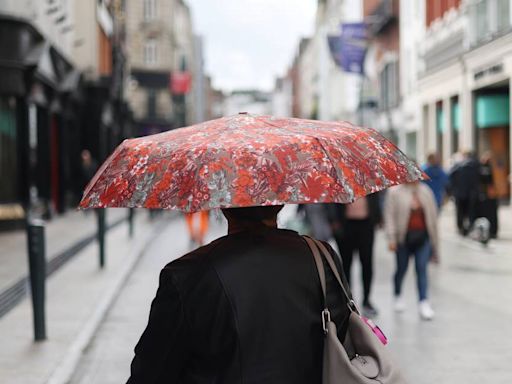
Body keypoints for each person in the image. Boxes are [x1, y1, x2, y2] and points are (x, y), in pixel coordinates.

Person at [127, 206, 351, 383]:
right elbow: (342, 338)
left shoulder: (186, 276)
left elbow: (151, 371)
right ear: (280, 202)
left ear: (223, 206)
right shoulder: (321, 257)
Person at [384, 181, 438, 321]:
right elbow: (389, 216)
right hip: (403, 239)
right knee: (401, 268)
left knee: (421, 268)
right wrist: (391, 238)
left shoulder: (426, 191)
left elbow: (433, 217)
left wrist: (435, 243)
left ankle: (423, 301)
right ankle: (397, 294)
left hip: (422, 238)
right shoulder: (395, 192)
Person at [325, 193, 382, 318]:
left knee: (367, 263)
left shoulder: (368, 181)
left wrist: (377, 218)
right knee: (346, 264)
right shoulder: (341, 181)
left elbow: (377, 199)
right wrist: (333, 221)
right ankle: (347, 299)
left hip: (366, 225)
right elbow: (330, 202)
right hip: (345, 225)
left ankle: (367, 300)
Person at [448, 150, 480, 235]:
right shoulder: (475, 166)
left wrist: (451, 191)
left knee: (460, 212)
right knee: (470, 211)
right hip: (470, 193)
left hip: (459, 193)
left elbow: (450, 179)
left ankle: (461, 227)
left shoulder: (457, 166)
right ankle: (470, 227)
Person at [478, 152, 499, 238]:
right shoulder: (482, 168)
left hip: (489, 195)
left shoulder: (489, 168)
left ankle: (491, 231)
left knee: (490, 214)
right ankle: (489, 231)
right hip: (486, 195)